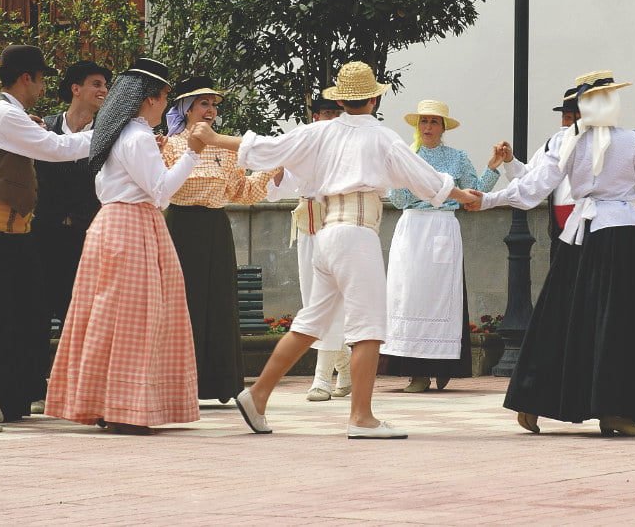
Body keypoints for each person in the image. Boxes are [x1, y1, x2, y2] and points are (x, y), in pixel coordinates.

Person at [196, 61, 477, 439]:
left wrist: (215, 139)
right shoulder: (382, 136)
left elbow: (268, 147)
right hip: (355, 233)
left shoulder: (321, 131)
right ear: (375, 98)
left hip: (327, 234)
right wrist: (462, 195)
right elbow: (423, 179)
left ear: (341, 99)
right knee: (369, 328)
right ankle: (361, 417)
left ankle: (258, 394)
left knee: (311, 323)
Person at [464, 70, 635, 437]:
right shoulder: (632, 141)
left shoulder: (566, 140)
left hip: (580, 236)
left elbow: (532, 187)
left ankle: (533, 400)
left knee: (562, 317)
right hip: (621, 234)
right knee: (622, 321)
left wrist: (489, 199)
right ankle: (615, 410)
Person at [45, 59, 208, 435]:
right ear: (148, 100)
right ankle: (125, 408)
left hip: (112, 225)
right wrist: (193, 152)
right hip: (133, 226)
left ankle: (105, 402)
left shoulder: (119, 135)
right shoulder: (135, 137)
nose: (166, 107)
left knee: (107, 317)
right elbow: (163, 192)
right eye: (165, 97)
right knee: (139, 320)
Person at [0, 45, 93, 433]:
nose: (45, 85)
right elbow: (55, 149)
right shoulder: (2, 114)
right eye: (41, 77)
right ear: (25, 78)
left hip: (13, 233)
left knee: (19, 316)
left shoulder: (13, 115)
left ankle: (4, 398)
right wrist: (107, 135)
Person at [162, 76, 278, 404]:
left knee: (220, 304)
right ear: (185, 109)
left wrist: (271, 168)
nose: (210, 109)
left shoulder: (225, 150)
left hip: (217, 227)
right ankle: (179, 385)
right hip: (181, 228)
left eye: (213, 104)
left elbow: (241, 192)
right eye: (203, 103)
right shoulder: (168, 145)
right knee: (185, 305)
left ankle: (220, 385)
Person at [378, 99, 502, 393]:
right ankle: (415, 372)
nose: (428, 127)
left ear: (443, 127)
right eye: (424, 121)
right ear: (417, 126)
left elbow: (474, 193)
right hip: (412, 229)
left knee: (440, 295)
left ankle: (442, 366)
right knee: (408, 295)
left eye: (434, 122)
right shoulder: (409, 156)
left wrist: (493, 168)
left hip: (442, 226)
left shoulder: (457, 157)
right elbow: (398, 200)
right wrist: (412, 182)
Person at [265, 96, 353, 402]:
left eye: (335, 113)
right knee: (314, 301)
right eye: (325, 113)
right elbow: (280, 188)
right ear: (314, 116)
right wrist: (275, 170)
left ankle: (322, 378)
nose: (330, 119)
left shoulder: (350, 145)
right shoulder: (302, 145)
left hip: (343, 228)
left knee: (337, 302)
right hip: (310, 230)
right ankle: (344, 369)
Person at [31, 60, 111, 328]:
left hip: (86, 239)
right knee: (36, 315)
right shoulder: (43, 129)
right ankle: (36, 371)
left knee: (83, 319)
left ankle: (81, 371)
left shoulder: (109, 137)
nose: (104, 91)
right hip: (43, 237)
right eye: (96, 84)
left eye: (106, 85)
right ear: (76, 88)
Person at [498, 88, 580, 258]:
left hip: (591, 230)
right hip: (561, 232)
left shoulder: (598, 147)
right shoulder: (552, 145)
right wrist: (509, 159)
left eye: (576, 119)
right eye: (567, 118)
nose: (570, 125)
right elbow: (528, 175)